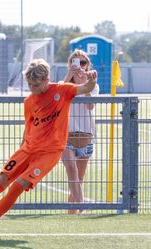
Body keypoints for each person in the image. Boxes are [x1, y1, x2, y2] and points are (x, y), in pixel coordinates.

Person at [0, 58, 97, 238]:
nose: (32, 88)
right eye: (29, 84)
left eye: (35, 85)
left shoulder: (62, 90)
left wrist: (92, 79)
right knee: (1, 180)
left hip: (49, 153)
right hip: (28, 149)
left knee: (18, 185)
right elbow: (28, 126)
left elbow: (86, 89)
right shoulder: (29, 100)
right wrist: (21, 150)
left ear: (46, 80)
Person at [62, 49, 100, 214]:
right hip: (66, 134)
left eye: (82, 63)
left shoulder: (94, 84)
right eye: (75, 62)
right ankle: (82, 209)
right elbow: (57, 99)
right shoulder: (64, 84)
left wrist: (87, 84)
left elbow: (90, 105)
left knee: (79, 178)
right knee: (72, 172)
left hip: (85, 134)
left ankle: (71, 215)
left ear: (87, 65)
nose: (79, 66)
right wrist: (69, 78)